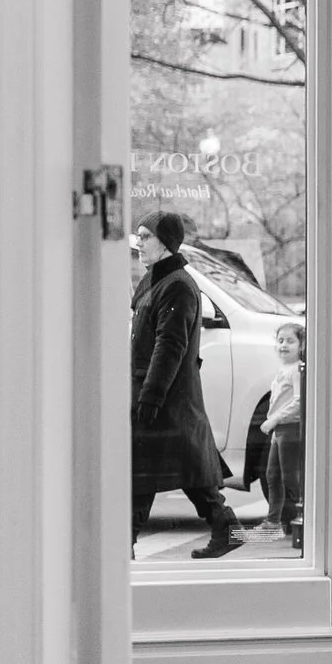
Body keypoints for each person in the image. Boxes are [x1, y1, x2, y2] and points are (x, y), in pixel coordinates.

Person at [130, 211, 243, 560]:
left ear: (165, 242)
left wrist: (150, 396)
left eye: (145, 236)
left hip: (165, 396)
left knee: (145, 470)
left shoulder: (177, 284)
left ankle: (122, 544)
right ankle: (227, 528)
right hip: (161, 394)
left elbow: (170, 345)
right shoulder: (158, 280)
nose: (139, 244)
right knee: (173, 469)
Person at [256, 320, 305, 551]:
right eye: (281, 340)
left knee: (289, 477)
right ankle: (273, 521)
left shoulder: (297, 370)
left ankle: (301, 518)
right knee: (272, 475)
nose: (284, 345)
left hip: (289, 429)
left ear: (301, 345)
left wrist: (275, 419)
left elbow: (298, 402)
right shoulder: (283, 370)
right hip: (279, 430)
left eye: (290, 341)